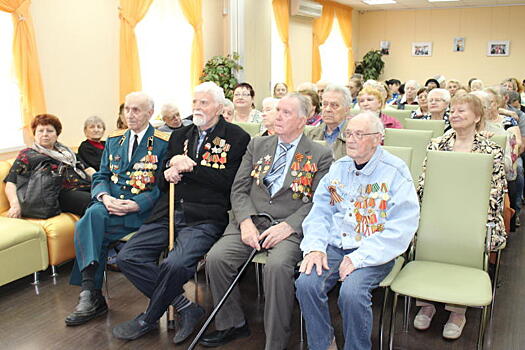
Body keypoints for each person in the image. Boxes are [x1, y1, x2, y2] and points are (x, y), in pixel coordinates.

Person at [112, 82, 251, 344]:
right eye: (195, 102)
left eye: (204, 103)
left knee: (175, 264)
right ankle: (187, 307)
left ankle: (148, 318)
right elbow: (162, 180)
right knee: (128, 257)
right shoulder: (180, 135)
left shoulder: (237, 137)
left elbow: (230, 183)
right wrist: (167, 172)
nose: (197, 107)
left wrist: (191, 167)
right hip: (169, 212)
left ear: (219, 108)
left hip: (205, 217)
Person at [200, 93, 333, 350]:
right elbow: (238, 189)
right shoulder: (257, 145)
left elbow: (319, 201)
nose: (277, 116)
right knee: (217, 259)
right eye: (277, 111)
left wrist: (288, 226)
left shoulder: (321, 154)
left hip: (290, 227)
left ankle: (275, 342)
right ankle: (232, 324)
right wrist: (246, 222)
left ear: (302, 121)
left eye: (286, 112)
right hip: (252, 220)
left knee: (277, 267)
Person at [296, 111, 420, 350]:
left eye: (359, 134)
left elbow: (401, 226)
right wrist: (314, 247)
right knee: (306, 283)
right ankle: (322, 344)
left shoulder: (395, 172)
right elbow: (322, 210)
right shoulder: (339, 169)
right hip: (335, 245)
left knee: (352, 293)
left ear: (378, 138)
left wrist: (359, 257)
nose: (351, 139)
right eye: (349, 133)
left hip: (374, 249)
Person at [64, 92, 170, 326]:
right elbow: (102, 175)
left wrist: (136, 203)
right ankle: (90, 293)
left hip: (141, 210)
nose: (130, 115)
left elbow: (163, 187)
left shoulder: (163, 142)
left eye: (136, 110)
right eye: (127, 109)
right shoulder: (115, 139)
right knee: (93, 215)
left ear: (150, 113)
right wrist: (104, 196)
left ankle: (90, 295)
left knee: (90, 225)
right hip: (111, 205)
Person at [414, 93, 506, 340]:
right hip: (438, 212)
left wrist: (470, 218)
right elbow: (424, 185)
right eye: (452, 110)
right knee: (428, 235)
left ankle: (457, 311)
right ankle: (427, 303)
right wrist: (432, 212)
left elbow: (495, 191)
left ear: (477, 116)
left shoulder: (491, 150)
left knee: (467, 239)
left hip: (472, 218)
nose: (454, 114)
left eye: (461, 111)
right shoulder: (437, 144)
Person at [5, 114, 92, 218]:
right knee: (96, 203)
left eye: (50, 131)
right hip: (60, 194)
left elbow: (86, 168)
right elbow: (11, 182)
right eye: (40, 131)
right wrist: (15, 205)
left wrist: (100, 181)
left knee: (110, 195)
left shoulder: (66, 152)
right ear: (34, 134)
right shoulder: (27, 155)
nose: (45, 134)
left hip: (85, 185)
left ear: (57, 134)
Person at [305, 84, 350, 160]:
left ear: (347, 110)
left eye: (334, 105)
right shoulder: (310, 134)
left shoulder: (354, 135)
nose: (328, 109)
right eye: (325, 104)